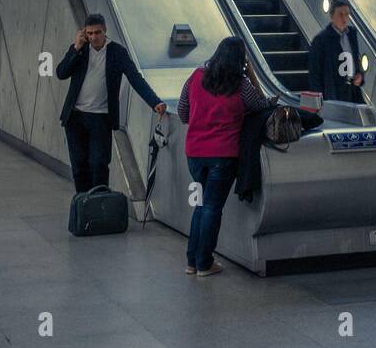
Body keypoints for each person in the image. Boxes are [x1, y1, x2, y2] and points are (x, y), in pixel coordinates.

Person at [177, 37, 269, 276]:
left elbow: (182, 113)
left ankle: (192, 262)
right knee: (212, 208)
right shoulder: (241, 85)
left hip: (195, 154)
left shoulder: (196, 77)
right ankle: (204, 263)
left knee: (200, 206)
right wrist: (251, 74)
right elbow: (262, 105)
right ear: (241, 61)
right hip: (223, 155)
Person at [57, 14, 166, 194]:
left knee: (99, 164)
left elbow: (135, 78)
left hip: (101, 118)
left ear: (105, 30)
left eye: (97, 32)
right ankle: (84, 204)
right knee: (79, 166)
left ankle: (100, 204)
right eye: (89, 33)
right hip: (75, 118)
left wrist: (154, 101)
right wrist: (76, 48)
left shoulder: (117, 52)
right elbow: (61, 73)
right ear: (84, 33)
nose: (93, 37)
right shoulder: (80, 50)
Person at [308, 0, 365, 104]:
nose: (344, 18)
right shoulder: (321, 40)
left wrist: (359, 74)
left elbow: (355, 59)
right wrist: (319, 102)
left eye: (347, 14)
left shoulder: (352, 34)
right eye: (340, 14)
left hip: (352, 91)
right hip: (333, 92)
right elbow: (314, 73)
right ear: (332, 16)